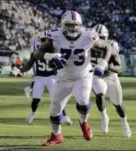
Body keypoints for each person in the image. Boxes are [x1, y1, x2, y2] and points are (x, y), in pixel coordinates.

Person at [33, 10, 112, 146]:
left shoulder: (89, 35)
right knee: (54, 109)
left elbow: (107, 47)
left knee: (82, 100)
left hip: (83, 76)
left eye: (76, 25)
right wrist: (52, 57)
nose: (74, 28)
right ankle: (57, 136)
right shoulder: (55, 36)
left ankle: (83, 123)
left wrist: (102, 64)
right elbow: (38, 53)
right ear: (64, 25)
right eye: (70, 25)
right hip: (63, 78)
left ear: (80, 25)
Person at [20, 31, 72, 125]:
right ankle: (33, 112)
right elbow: (29, 65)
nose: (44, 42)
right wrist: (21, 70)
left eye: (46, 39)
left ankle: (65, 116)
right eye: (42, 39)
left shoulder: (56, 51)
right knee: (36, 100)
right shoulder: (36, 52)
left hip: (52, 77)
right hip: (39, 77)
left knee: (58, 98)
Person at [91, 24, 131, 137]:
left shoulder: (112, 45)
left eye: (102, 37)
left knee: (118, 103)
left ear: (106, 37)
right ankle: (104, 117)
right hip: (97, 76)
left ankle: (124, 123)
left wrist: (108, 67)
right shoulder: (87, 45)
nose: (99, 40)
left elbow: (119, 68)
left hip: (111, 76)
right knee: (99, 92)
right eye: (97, 37)